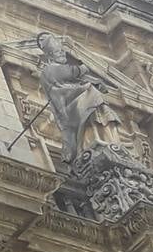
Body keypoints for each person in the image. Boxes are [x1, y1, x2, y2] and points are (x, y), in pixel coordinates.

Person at [36, 32, 121, 161]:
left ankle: (106, 138)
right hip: (69, 106)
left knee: (95, 101)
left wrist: (94, 82)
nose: (63, 54)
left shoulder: (63, 74)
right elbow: (71, 72)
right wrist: (85, 67)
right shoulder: (49, 70)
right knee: (91, 98)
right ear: (50, 55)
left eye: (62, 51)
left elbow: (75, 79)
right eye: (59, 52)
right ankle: (94, 140)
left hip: (75, 101)